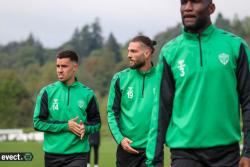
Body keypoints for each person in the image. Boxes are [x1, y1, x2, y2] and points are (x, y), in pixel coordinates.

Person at [146, 0, 250, 166]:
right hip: (184, 154)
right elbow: (161, 109)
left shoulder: (235, 46)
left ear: (211, 8)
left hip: (227, 155)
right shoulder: (170, 52)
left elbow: (248, 101)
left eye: (195, 2)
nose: (187, 8)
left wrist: (248, 152)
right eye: (183, 2)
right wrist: (154, 161)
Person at [33, 50, 101, 167]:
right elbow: (37, 123)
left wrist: (86, 128)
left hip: (78, 155)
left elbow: (96, 123)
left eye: (64, 66)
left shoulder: (87, 94)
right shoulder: (47, 92)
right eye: (58, 66)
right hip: (52, 155)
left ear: (75, 67)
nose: (60, 70)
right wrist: (66, 126)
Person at [107, 35, 161, 167]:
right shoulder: (120, 78)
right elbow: (112, 113)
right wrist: (120, 139)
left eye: (134, 51)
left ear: (147, 53)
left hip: (153, 150)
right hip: (126, 151)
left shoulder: (162, 77)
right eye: (128, 51)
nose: (129, 55)